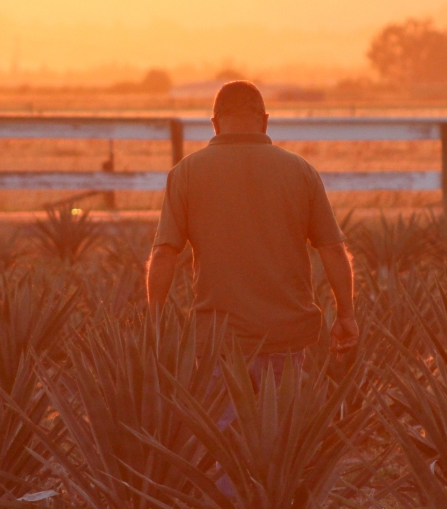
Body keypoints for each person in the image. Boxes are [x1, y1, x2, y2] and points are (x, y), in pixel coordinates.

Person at [146, 80, 359, 371]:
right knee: (282, 416)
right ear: (265, 121)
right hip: (287, 335)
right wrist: (346, 315)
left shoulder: (185, 173)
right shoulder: (301, 171)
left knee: (218, 417)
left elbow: (163, 254)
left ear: (215, 124)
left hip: (218, 341)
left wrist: (155, 325)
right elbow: (333, 250)